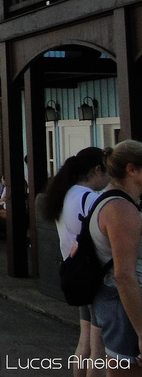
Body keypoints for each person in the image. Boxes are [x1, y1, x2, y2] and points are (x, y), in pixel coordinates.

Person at [41, 147, 109, 377]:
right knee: (98, 347)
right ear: (97, 170)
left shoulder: (65, 195)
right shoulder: (90, 198)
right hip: (96, 275)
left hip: (75, 271)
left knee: (84, 342)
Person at [91, 140, 142, 369]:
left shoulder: (108, 199)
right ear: (131, 170)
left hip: (113, 303)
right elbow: (124, 275)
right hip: (125, 308)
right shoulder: (121, 209)